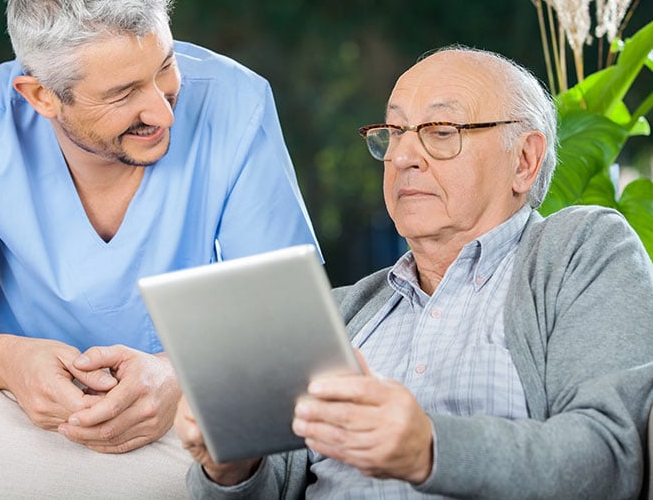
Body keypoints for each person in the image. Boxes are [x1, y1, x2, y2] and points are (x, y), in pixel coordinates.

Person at [0, 0, 319, 497]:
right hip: (19, 411)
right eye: (124, 93)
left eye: (166, 67)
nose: (165, 111)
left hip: (194, 409)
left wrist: (180, 374)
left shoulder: (238, 101)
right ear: (41, 97)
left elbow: (291, 311)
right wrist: (7, 360)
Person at [177, 45, 653, 499]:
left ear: (524, 160)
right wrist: (230, 466)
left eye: (441, 131)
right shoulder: (345, 312)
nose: (402, 156)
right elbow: (274, 486)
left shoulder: (578, 252)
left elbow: (608, 458)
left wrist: (428, 448)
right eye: (395, 132)